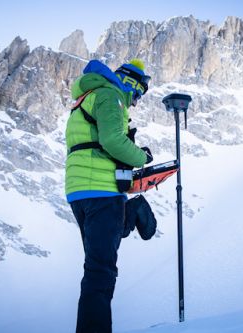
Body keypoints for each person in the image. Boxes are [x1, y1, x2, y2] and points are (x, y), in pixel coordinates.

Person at [65, 58, 153, 333]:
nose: (136, 101)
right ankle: (135, 210)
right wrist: (141, 157)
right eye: (137, 93)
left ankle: (133, 211)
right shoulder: (110, 95)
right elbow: (112, 141)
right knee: (101, 272)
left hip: (80, 191)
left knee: (97, 267)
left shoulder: (88, 97)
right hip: (102, 190)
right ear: (129, 82)